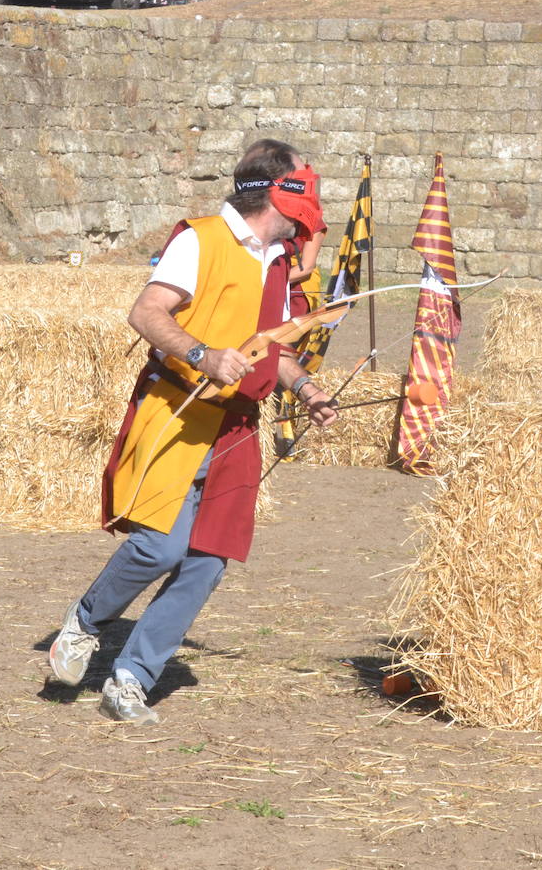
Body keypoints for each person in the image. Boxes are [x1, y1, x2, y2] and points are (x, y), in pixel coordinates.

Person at [48, 139, 340, 726]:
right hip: (176, 413)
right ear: (278, 193)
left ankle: (131, 679)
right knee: (161, 545)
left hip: (237, 429)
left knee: (207, 560)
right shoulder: (200, 240)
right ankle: (83, 624)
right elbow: (147, 313)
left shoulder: (278, 261)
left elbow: (270, 349)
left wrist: (305, 389)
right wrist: (204, 355)